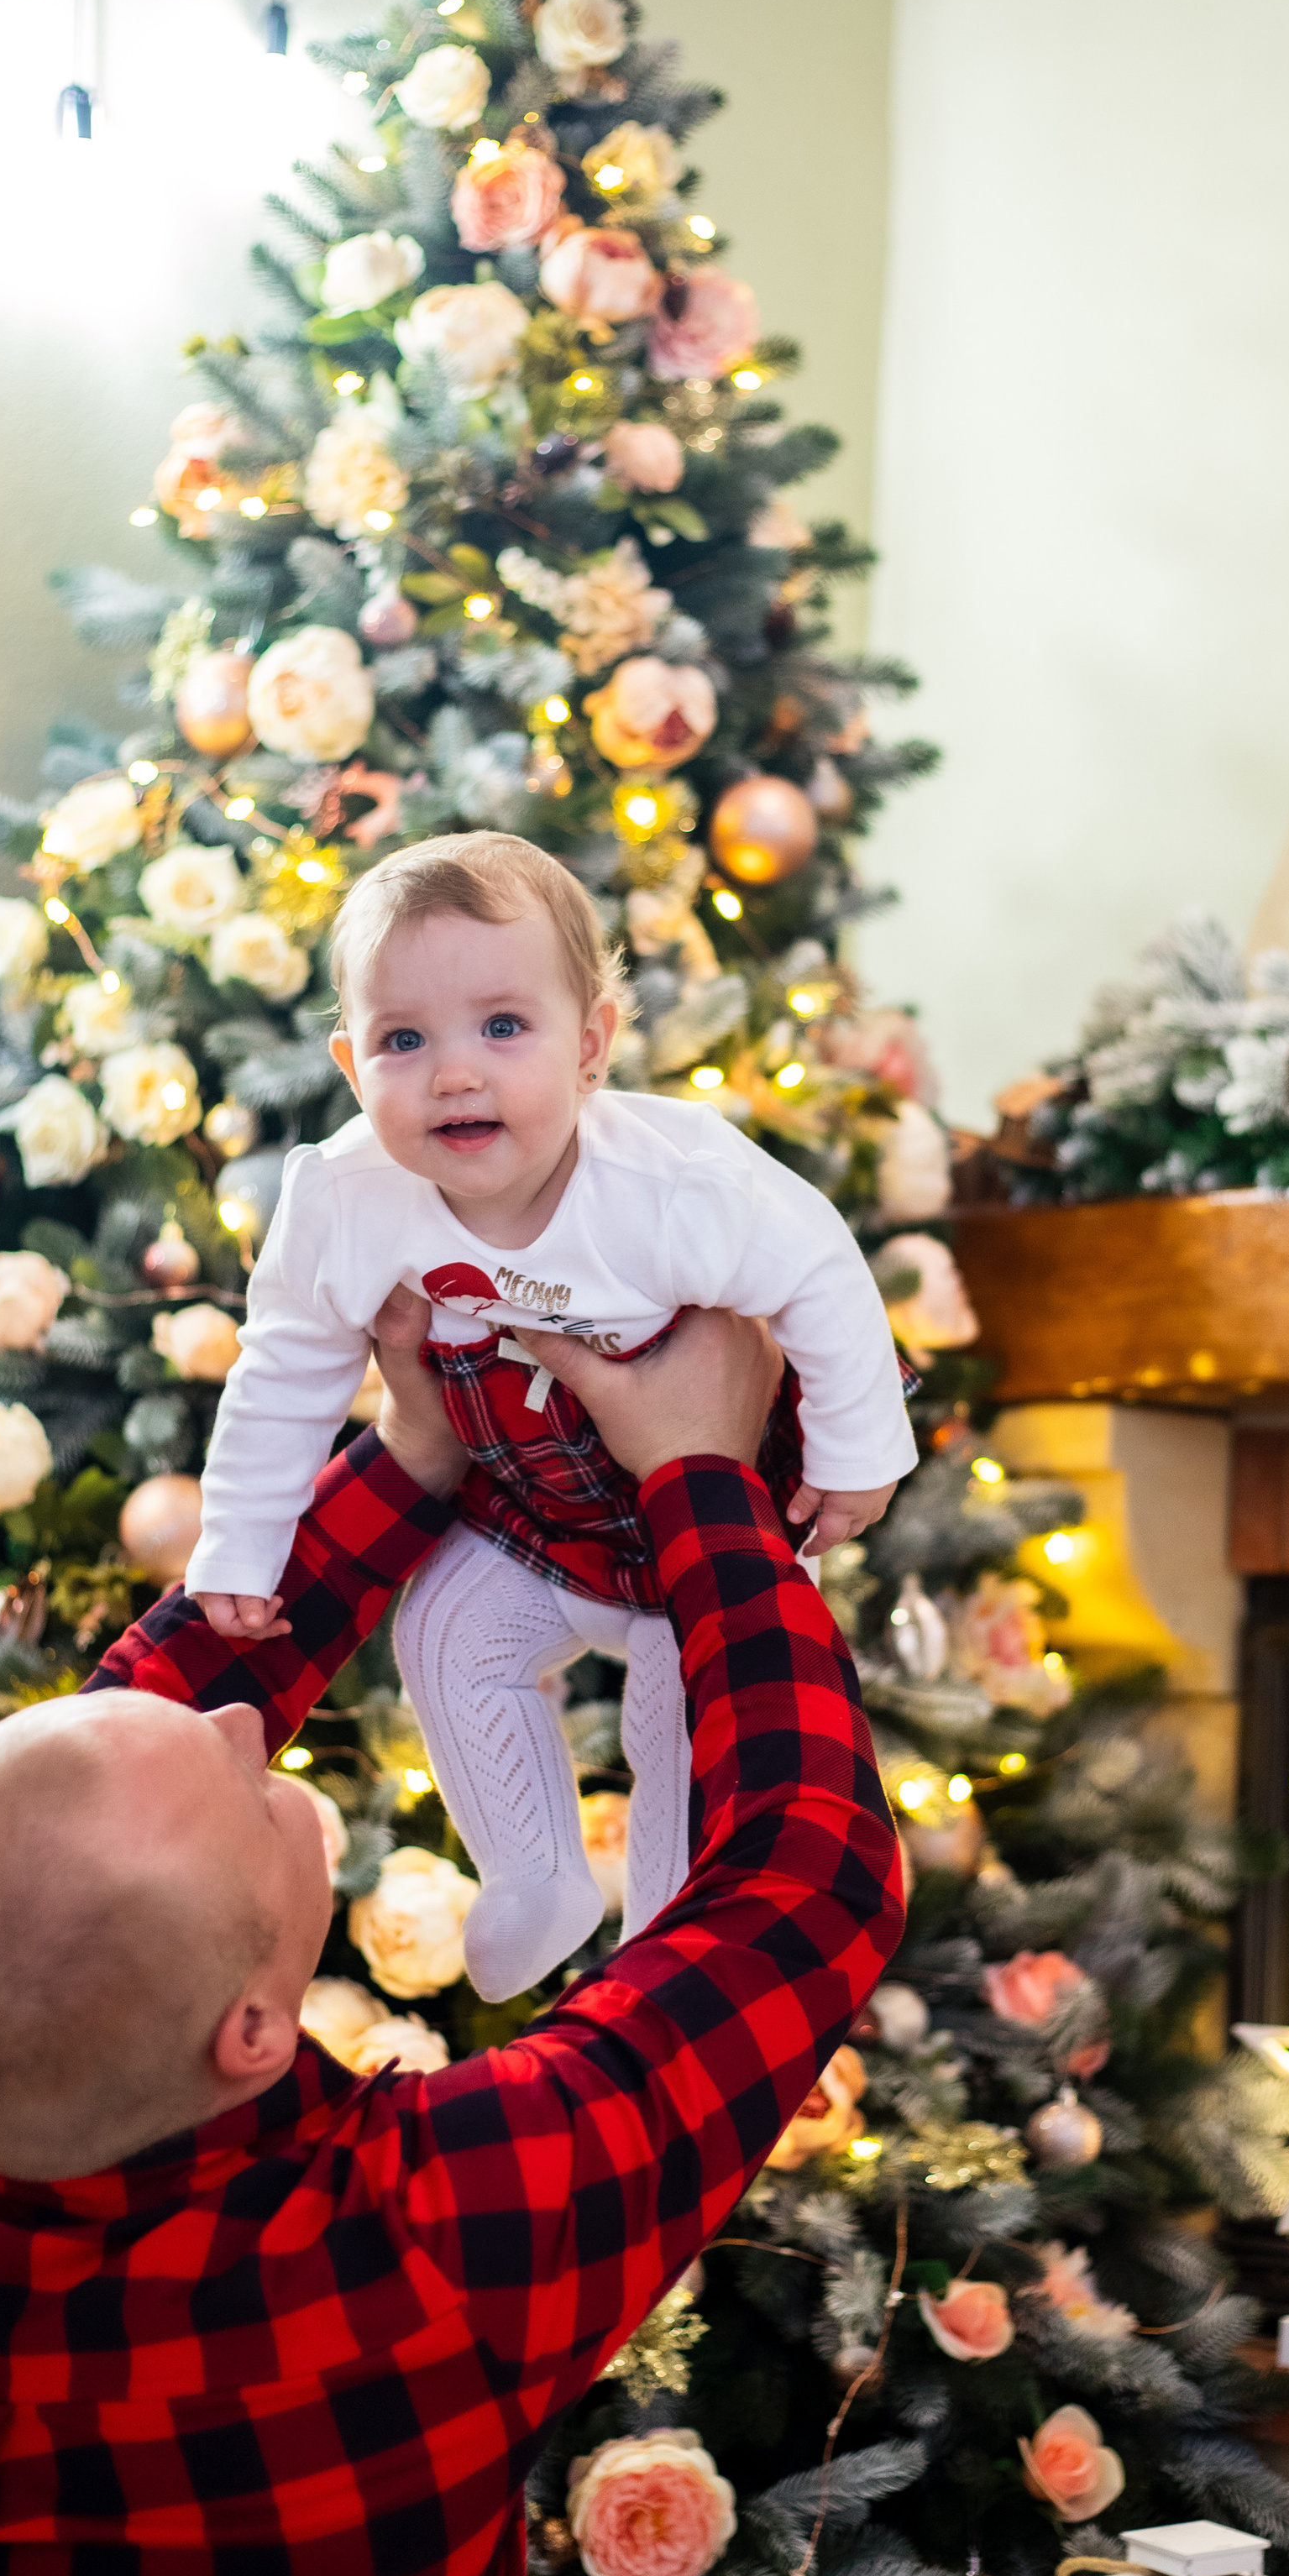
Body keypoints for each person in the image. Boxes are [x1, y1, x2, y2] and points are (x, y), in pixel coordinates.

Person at [0, 1299, 1119, 2576]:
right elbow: (805, 1887)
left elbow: (111, 1758)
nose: (238, 1721)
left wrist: (414, 1450)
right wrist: (703, 1479)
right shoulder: (403, 2259)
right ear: (252, 2031)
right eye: (241, 1782)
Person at [183, 830, 916, 2000]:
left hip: (703, 1523)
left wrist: (859, 1450)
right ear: (350, 1065)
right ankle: (533, 1874)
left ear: (590, 1047)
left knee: (690, 1727)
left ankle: (664, 1933)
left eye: (502, 1026)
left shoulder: (672, 1185)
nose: (454, 1075)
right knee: (441, 1635)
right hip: (532, 1511)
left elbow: (821, 1272)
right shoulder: (348, 1196)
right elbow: (285, 1364)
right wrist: (240, 1542)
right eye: (404, 1040)